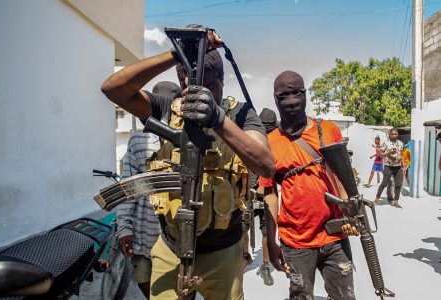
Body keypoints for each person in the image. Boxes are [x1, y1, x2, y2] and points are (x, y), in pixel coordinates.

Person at [101, 25, 275, 300]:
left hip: (222, 254)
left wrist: (218, 119)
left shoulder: (241, 114)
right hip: (170, 249)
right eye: (192, 83)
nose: (201, 92)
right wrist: (177, 52)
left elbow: (265, 164)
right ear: (182, 81)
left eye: (210, 84)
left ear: (221, 79)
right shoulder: (168, 108)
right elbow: (113, 89)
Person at [260, 70, 358, 300]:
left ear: (305, 95)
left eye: (297, 94)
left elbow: (342, 177)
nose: (292, 101)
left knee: (345, 296)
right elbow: (270, 194)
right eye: (285, 96)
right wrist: (271, 241)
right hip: (296, 241)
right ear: (275, 99)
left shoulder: (329, 130)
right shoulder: (270, 142)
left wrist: (350, 215)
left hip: (335, 235)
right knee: (301, 296)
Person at [117, 81, 181, 298]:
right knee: (146, 283)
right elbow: (128, 189)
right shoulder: (138, 139)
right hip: (145, 236)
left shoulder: (187, 138)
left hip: (177, 235)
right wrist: (124, 228)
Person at [242, 107, 278, 286]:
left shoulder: (276, 143)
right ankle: (245, 256)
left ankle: (265, 265)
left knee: (266, 231)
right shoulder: (249, 139)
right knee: (242, 227)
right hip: (248, 192)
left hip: (267, 192)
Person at [374, 128, 405, 208]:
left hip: (398, 167)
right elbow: (381, 155)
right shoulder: (386, 143)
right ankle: (377, 198)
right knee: (384, 183)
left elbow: (402, 156)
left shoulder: (401, 143)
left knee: (398, 184)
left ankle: (396, 201)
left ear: (397, 134)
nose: (394, 135)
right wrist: (389, 152)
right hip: (388, 167)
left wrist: (403, 167)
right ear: (389, 134)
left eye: (395, 134)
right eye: (392, 134)